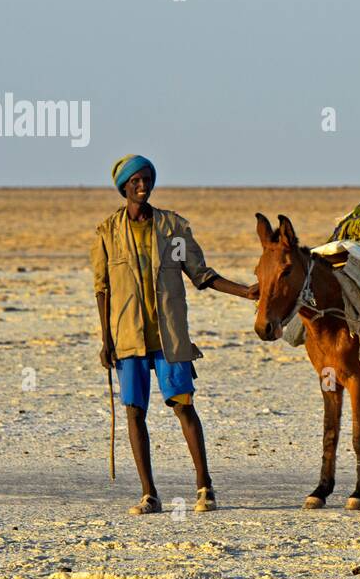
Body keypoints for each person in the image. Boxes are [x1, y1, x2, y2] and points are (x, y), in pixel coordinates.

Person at [90, 154, 257, 515]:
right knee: (134, 411)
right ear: (123, 187)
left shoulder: (173, 229)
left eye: (147, 178)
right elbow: (102, 289)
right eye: (135, 181)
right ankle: (149, 494)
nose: (143, 185)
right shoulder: (107, 234)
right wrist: (106, 341)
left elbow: (200, 275)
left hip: (170, 338)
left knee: (184, 407)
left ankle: (204, 487)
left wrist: (245, 291)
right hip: (127, 337)